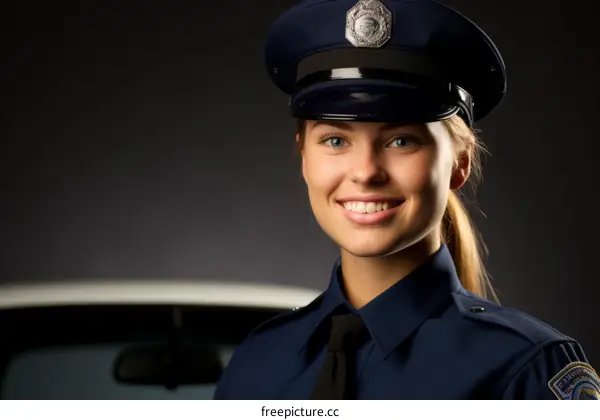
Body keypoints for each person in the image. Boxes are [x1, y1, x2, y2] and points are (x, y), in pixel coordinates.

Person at [213, 0, 599, 400]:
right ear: (304, 157)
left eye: (401, 141)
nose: (365, 171)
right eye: (335, 140)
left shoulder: (526, 369)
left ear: (459, 164)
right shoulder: (256, 364)